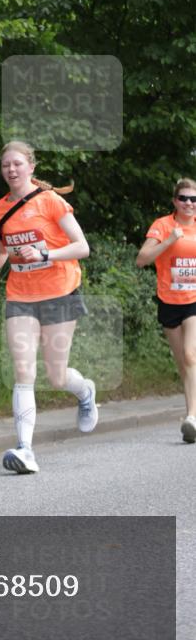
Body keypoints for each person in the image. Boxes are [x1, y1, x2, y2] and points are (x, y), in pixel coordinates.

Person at [0, 141, 97, 474]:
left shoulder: (51, 201)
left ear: (30, 166)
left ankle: (85, 392)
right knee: (24, 370)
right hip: (20, 295)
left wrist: (45, 255)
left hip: (59, 291)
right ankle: (25, 449)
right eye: (5, 166)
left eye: (17, 164)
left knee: (56, 377)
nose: (11, 170)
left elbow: (82, 247)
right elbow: (2, 251)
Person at [136, 178, 196, 444]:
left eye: (194, 199)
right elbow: (142, 259)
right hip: (169, 301)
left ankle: (191, 417)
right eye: (184, 198)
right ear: (175, 201)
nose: (189, 203)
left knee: (190, 355)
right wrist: (170, 240)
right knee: (183, 364)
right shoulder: (163, 226)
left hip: (194, 299)